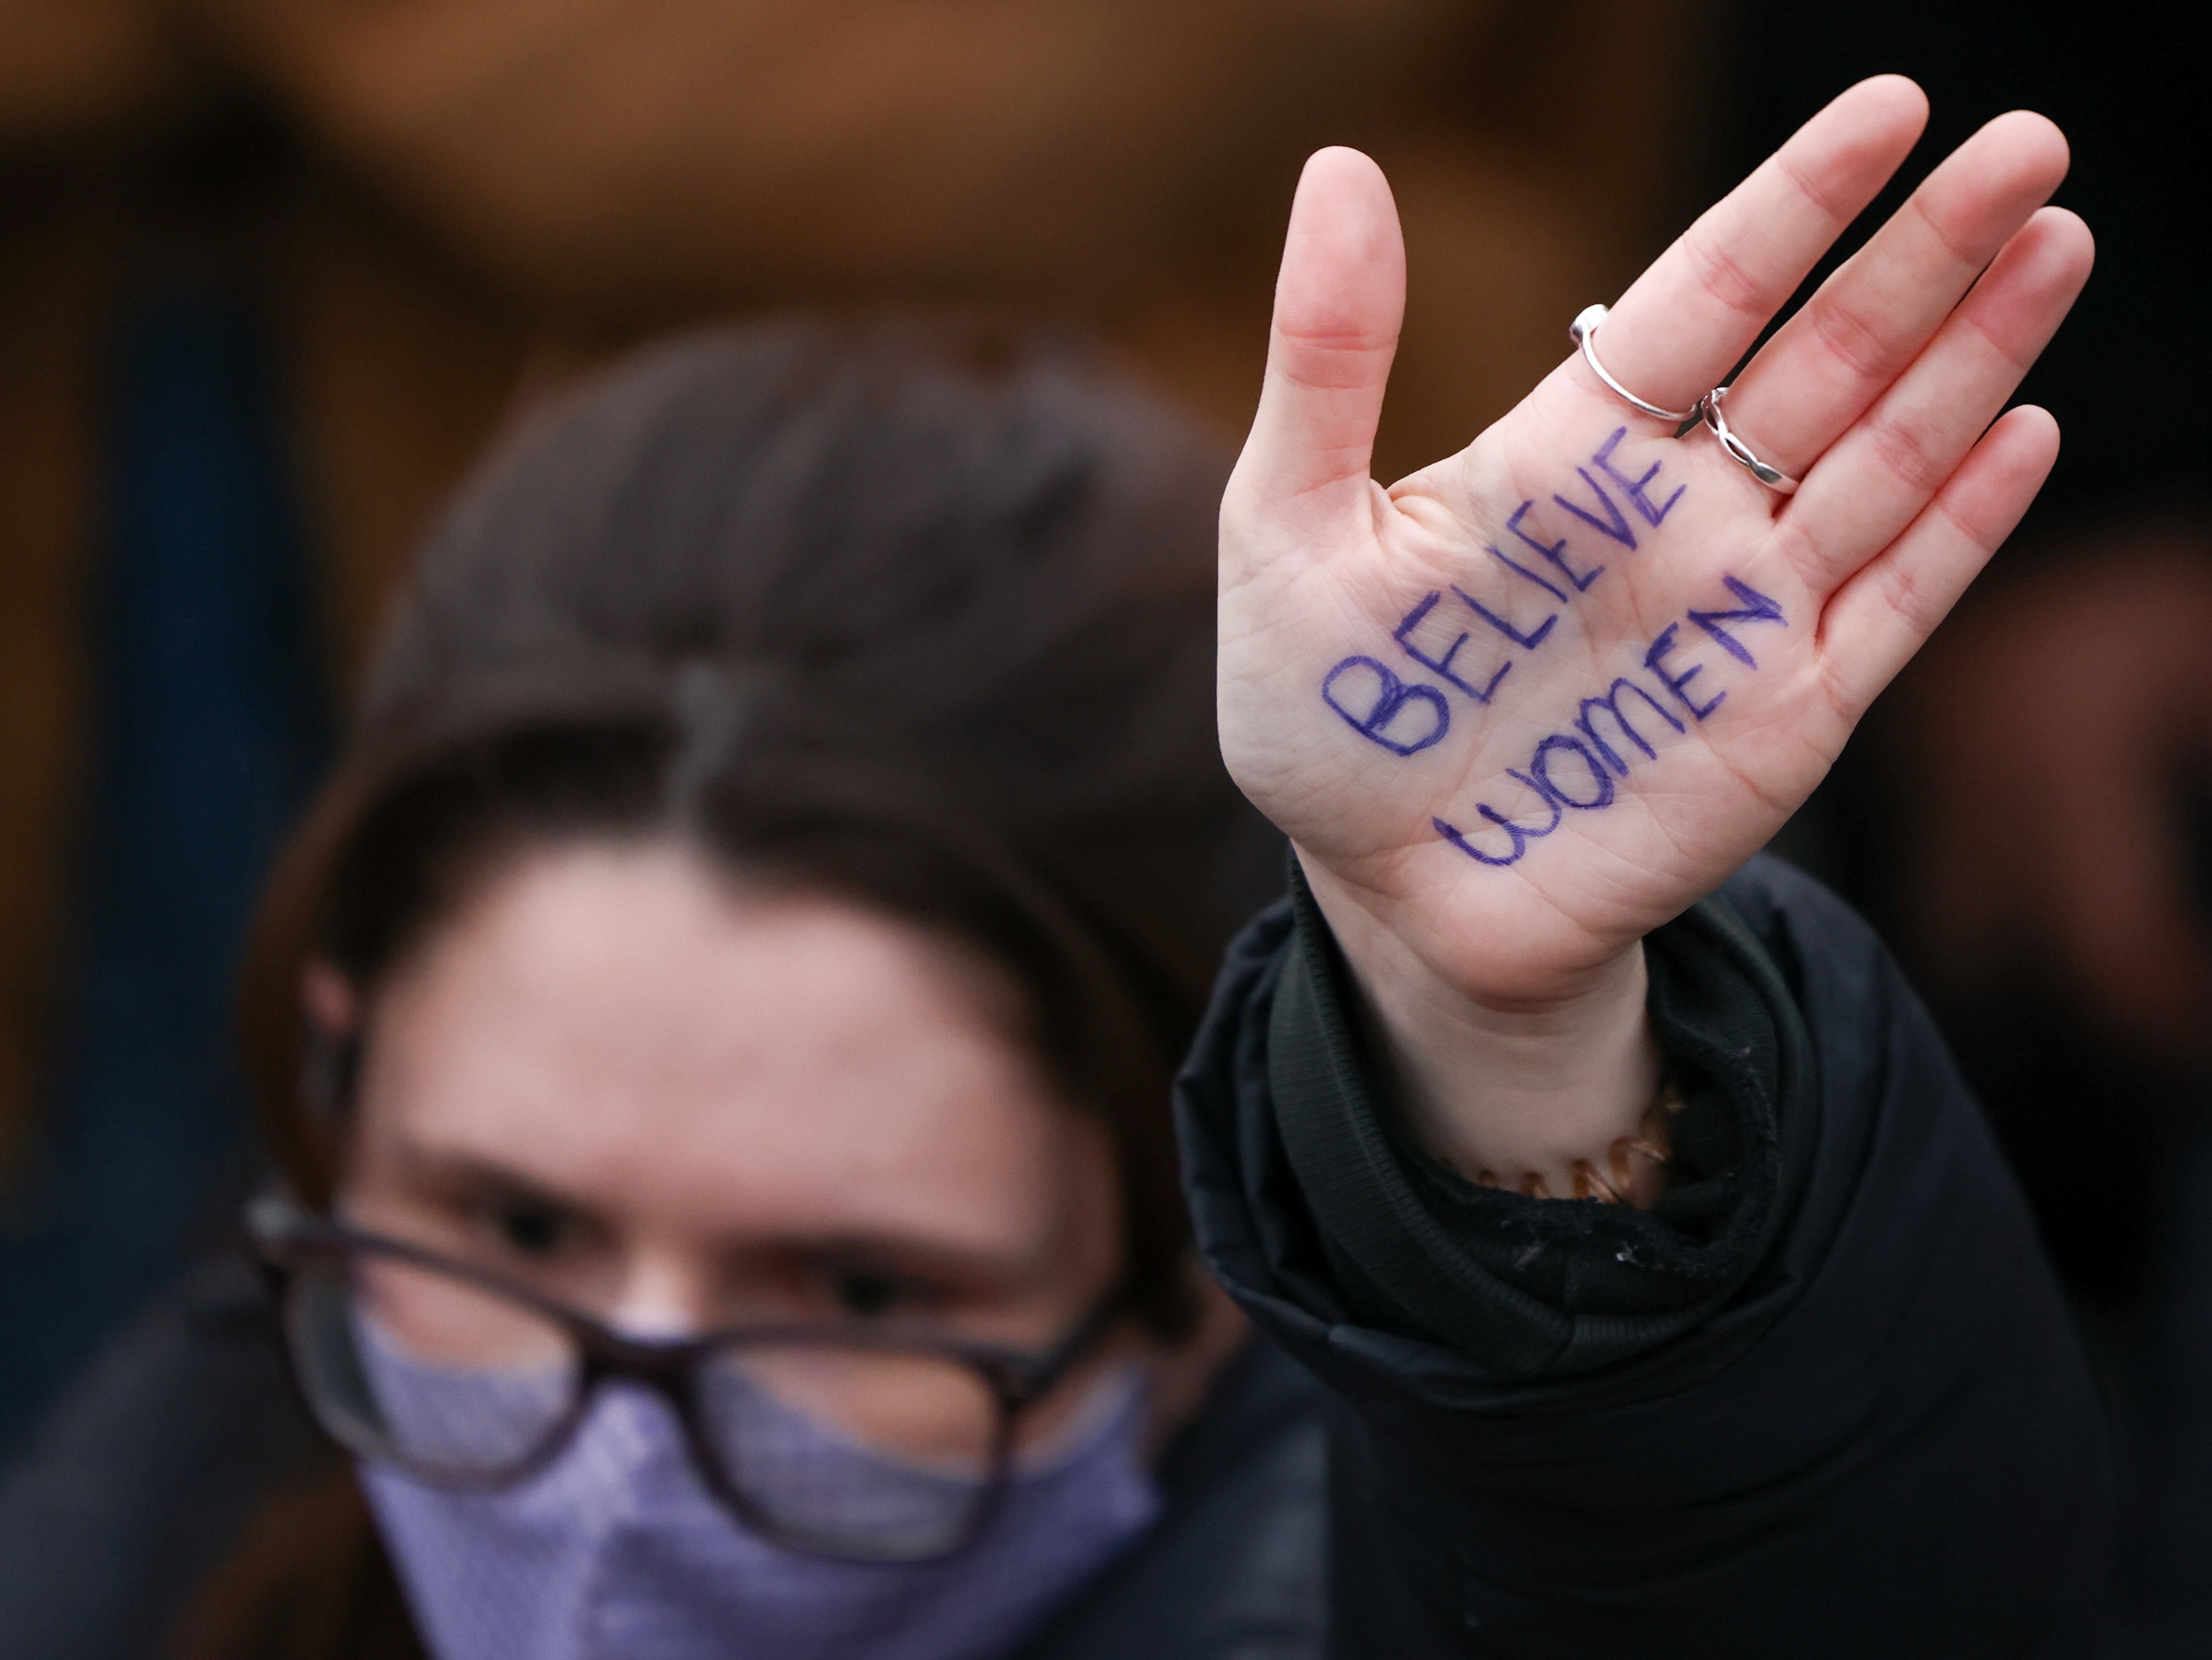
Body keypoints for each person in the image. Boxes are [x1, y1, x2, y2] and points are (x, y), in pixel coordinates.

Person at [0, 76, 2108, 1658]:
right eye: (509, 1219)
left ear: (1192, 1270)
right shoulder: (156, 1527)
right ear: (336, 1086)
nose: (612, 1473)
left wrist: (1504, 1062)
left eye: (856, 1288)